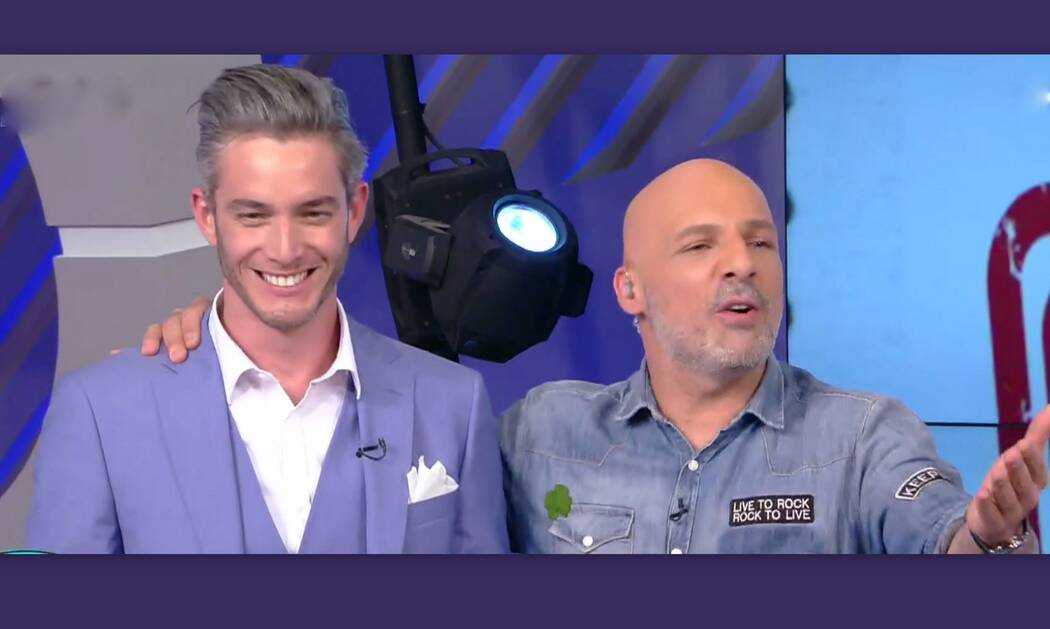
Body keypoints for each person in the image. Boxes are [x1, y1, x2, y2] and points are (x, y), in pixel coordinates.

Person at [142, 159, 1049, 554]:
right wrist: (243, 335)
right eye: (700, 246)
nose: (741, 263)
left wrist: (992, 534)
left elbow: (948, 543)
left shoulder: (864, 436)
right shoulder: (540, 433)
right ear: (629, 291)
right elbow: (369, 495)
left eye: (760, 243)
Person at [26, 64, 508, 554]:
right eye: (253, 215)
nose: (284, 249)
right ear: (207, 217)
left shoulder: (454, 404)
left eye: (313, 213)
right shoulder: (100, 412)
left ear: (355, 210)